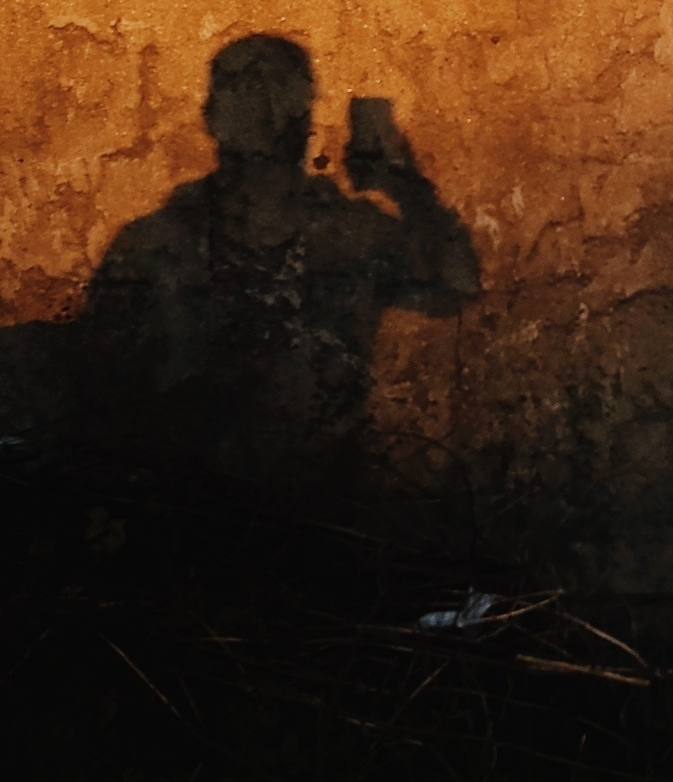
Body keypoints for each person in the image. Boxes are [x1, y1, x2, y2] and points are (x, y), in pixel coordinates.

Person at [73, 34, 479, 487]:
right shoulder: (156, 246)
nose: (261, 109)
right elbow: (100, 391)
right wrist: (404, 182)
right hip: (190, 510)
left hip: (318, 508)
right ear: (306, 121)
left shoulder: (350, 235)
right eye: (246, 90)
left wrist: (403, 182)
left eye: (269, 94)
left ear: (209, 117)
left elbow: (455, 287)